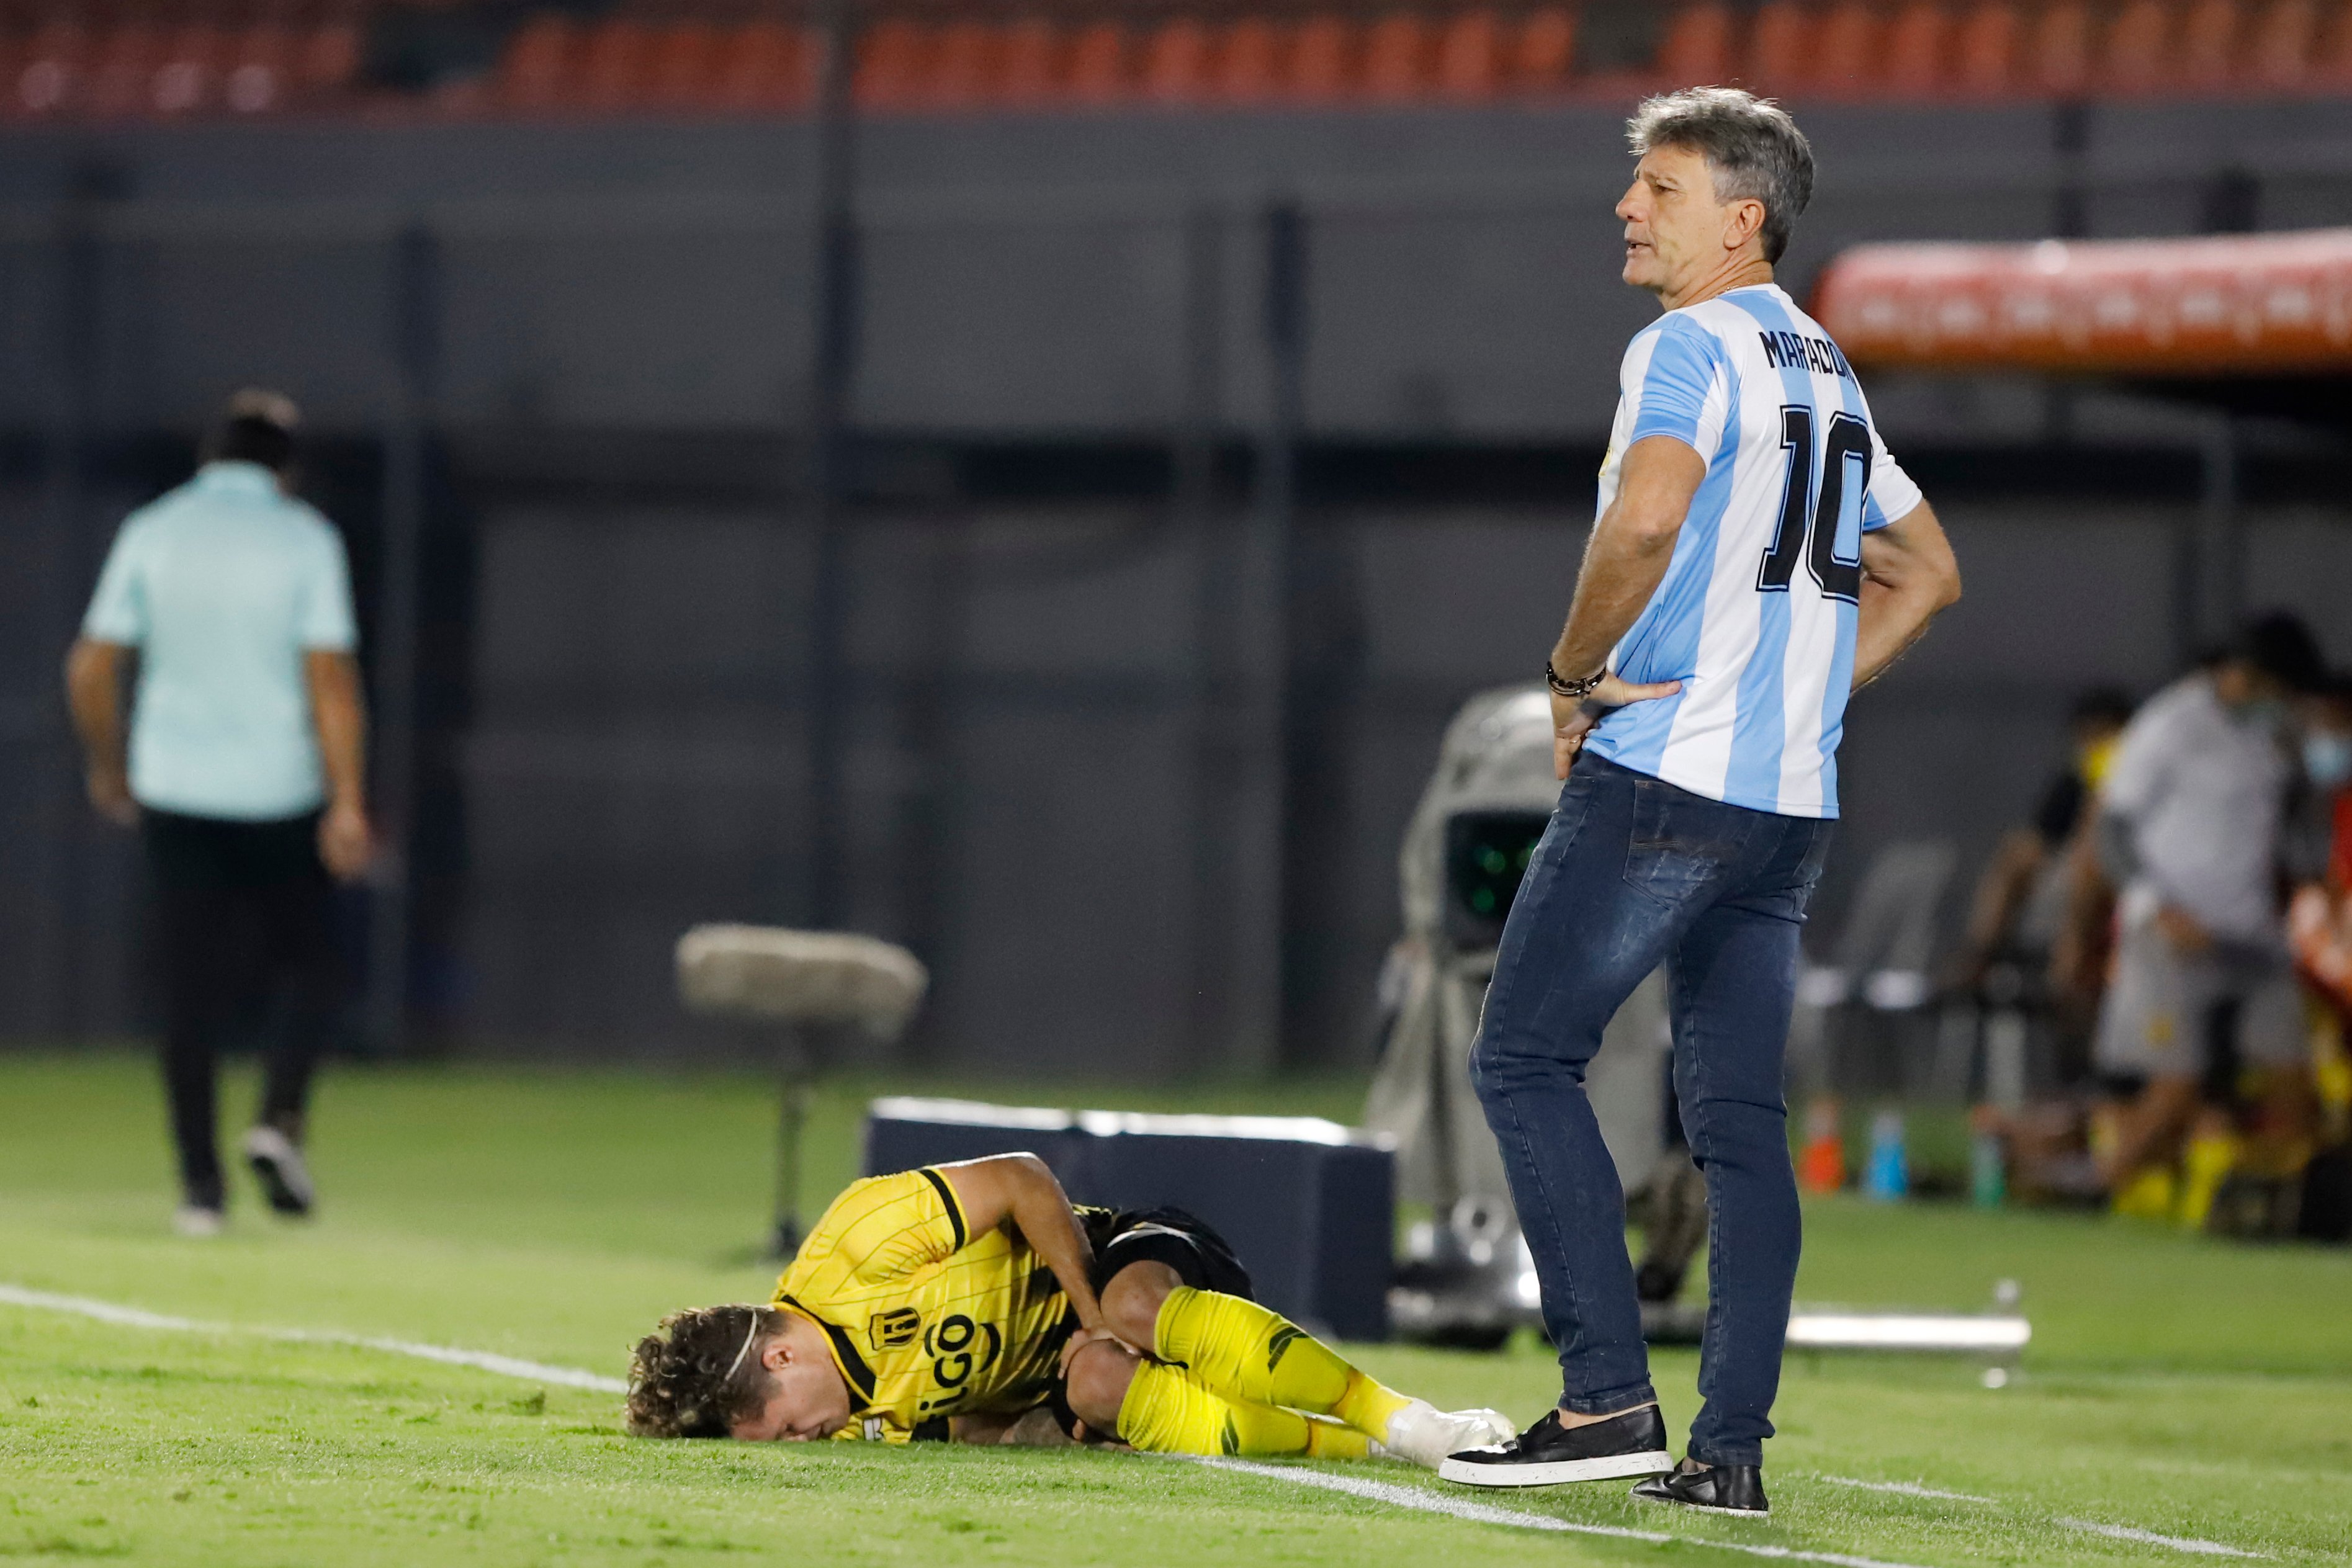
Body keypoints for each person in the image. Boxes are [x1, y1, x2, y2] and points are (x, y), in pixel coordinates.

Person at [1439, 89, 1960, 1516]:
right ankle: (1727, 1451)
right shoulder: (1829, 371)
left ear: (1743, 218)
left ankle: (1604, 1395)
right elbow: (1927, 571)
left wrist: (1567, 671)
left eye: (1657, 188)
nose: (1626, 208)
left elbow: (1649, 514)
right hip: (1786, 802)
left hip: (1666, 774)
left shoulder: (1685, 346)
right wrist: (1803, 695)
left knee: (1524, 1058)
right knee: (1734, 1118)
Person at [625, 1154, 1514, 1466]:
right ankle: (1361, 1448)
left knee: (1123, 1315)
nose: (801, 1445)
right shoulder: (866, 1419)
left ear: (778, 1360)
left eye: (782, 1431)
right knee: (1095, 1379)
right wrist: (1038, 1427)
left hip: (1124, 1256)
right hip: (1064, 1366)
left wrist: (1083, 1304)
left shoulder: (856, 1241)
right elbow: (972, 1419)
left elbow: (1021, 1178)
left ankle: (1407, 1420)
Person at [64, 390, 373, 1237]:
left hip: (177, 789)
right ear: (286, 467)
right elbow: (330, 681)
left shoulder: (154, 529)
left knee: (188, 989)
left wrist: (110, 762)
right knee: (312, 964)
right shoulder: (305, 537)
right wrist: (347, 798)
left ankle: (200, 1189)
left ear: (211, 458)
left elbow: (91, 667)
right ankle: (277, 1117)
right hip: (280, 791)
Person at [2088, 615, 2322, 1216]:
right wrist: (2153, 908)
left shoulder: (2274, 735)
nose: (2284, 705)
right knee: (2177, 1088)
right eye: (2279, 691)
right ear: (2244, 676)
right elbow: (2111, 827)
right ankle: (2096, 1193)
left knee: (2294, 1081)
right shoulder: (2171, 724)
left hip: (2252, 936)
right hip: (2173, 933)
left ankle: (2263, 1208)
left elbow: (2287, 827)